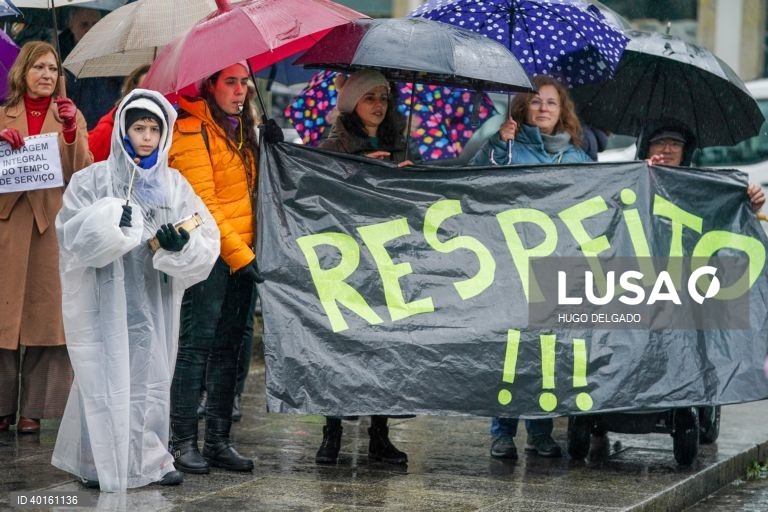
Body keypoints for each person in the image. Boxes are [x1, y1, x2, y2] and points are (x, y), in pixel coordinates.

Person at [51, 89, 220, 491]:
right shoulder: (92, 179)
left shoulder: (174, 186)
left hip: (153, 298)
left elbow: (204, 234)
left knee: (151, 376)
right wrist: (110, 221)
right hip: (104, 295)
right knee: (103, 373)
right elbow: (70, 233)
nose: (146, 137)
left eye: (154, 129)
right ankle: (99, 460)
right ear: (123, 130)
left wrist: (181, 244)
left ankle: (150, 459)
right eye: (138, 127)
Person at [472, 75, 592, 460]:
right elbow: (474, 186)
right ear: (523, 107)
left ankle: (540, 432)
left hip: (555, 270)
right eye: (536, 102)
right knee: (509, 351)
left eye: (551, 103)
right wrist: (497, 145)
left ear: (563, 111)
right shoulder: (506, 146)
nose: (543, 108)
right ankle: (502, 432)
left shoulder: (578, 157)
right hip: (509, 266)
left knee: (547, 353)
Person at [168, 61, 272, 475]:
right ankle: (181, 442)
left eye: (244, 81)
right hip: (210, 255)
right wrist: (241, 256)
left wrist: (273, 150)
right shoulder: (191, 132)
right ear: (208, 84)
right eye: (230, 81)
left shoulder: (245, 131)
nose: (241, 89)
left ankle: (218, 441)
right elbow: (204, 205)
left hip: (243, 253)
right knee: (197, 347)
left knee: (231, 348)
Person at [314, 70, 413, 466]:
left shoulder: (398, 141)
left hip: (387, 258)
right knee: (341, 345)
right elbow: (317, 193)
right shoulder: (334, 143)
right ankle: (332, 431)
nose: (378, 105)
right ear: (351, 101)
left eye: (383, 98)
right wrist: (355, 171)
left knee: (384, 347)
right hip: (346, 261)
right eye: (369, 97)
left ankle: (379, 433)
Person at [0, 41, 91, 434]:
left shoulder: (69, 114)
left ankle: (33, 410)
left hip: (50, 227)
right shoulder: (3, 113)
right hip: (7, 224)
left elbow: (81, 171)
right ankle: (1, 407)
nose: (47, 75)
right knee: (2, 321)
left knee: (46, 318)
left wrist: (71, 130)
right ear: (23, 72)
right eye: (39, 67)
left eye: (53, 69)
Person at [640, 121, 765, 211]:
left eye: (675, 143)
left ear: (684, 152)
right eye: (659, 142)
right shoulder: (634, 179)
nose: (667, 149)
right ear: (646, 149)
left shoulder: (698, 186)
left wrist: (747, 205)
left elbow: (719, 218)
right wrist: (644, 175)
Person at [59, 7, 122, 129]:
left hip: (109, 128)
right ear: (72, 26)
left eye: (95, 25)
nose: (90, 30)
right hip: (75, 129)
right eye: (84, 25)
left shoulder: (117, 53)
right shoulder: (59, 57)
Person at [88, 64, 150, 162]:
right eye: (144, 91)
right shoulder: (108, 130)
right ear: (131, 93)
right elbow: (88, 169)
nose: (150, 97)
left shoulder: (170, 129)